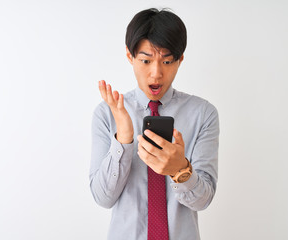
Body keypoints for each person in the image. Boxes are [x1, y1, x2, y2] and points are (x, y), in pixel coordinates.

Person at [90, 8, 219, 240]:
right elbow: (103, 197)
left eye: (167, 61)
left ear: (180, 60)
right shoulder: (107, 113)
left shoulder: (203, 114)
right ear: (130, 56)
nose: (156, 73)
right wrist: (124, 139)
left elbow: (203, 200)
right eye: (146, 60)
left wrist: (180, 170)